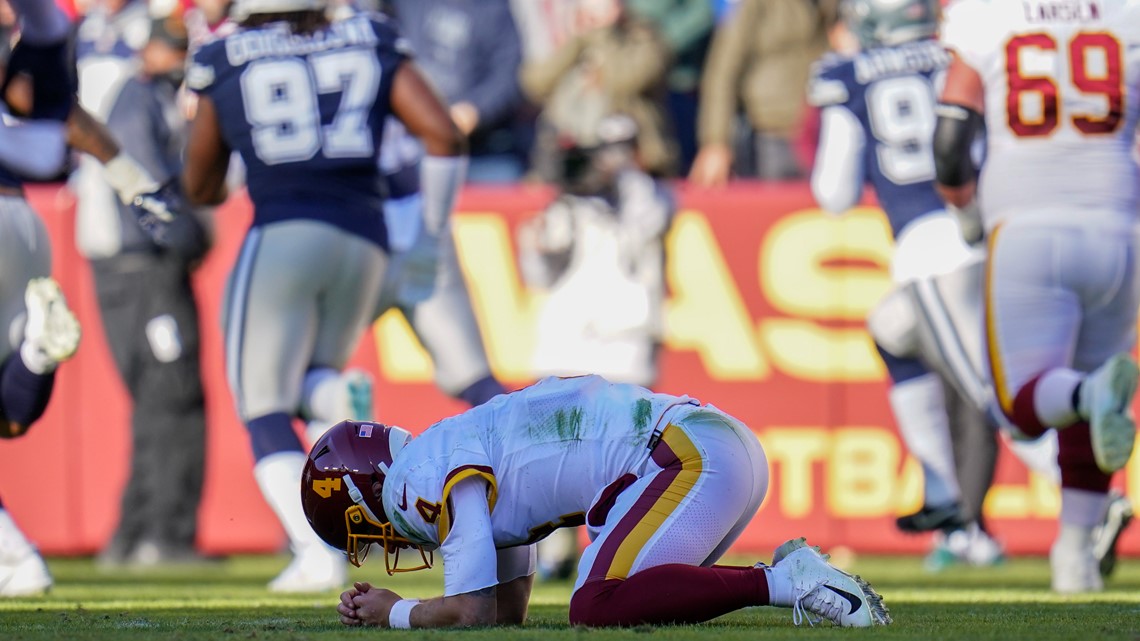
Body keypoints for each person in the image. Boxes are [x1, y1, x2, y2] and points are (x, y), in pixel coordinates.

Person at [174, 0, 467, 592]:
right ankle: (331, 392)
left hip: (285, 227)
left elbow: (200, 185)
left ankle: (315, 551)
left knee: (261, 406)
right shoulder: (368, 36)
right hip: (367, 234)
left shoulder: (224, 52)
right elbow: (443, 133)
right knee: (310, 376)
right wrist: (431, 238)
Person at [301, 375, 892, 629]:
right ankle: (789, 578)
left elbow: (473, 614)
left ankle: (789, 581)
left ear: (371, 493)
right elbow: (505, 614)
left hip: (686, 455)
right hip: (712, 446)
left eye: (365, 531)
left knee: (596, 602)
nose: (383, 542)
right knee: (604, 584)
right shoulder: (451, 448)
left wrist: (395, 611)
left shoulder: (416, 479)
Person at [934, 0, 1140, 594]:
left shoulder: (988, 13)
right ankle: (1075, 560)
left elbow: (950, 141)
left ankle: (1086, 393)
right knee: (1095, 404)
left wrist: (967, 210)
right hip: (1118, 225)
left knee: (1018, 406)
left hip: (1026, 225)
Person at [807, 0, 1003, 568]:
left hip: (936, 247)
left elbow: (833, 195)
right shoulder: (961, 53)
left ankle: (1085, 504)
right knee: (893, 328)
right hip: (986, 230)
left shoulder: (849, 74)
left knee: (995, 396)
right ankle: (948, 502)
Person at [516, 114, 674, 579]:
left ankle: (620, 550)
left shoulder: (649, 194)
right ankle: (555, 551)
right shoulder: (568, 204)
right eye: (605, 149)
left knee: (627, 456)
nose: (613, 158)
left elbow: (650, 222)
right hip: (568, 338)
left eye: (623, 147)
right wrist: (539, 239)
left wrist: (619, 181)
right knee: (552, 451)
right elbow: (540, 276)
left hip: (626, 338)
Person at [90, 7, 214, 568]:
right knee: (171, 395)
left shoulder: (157, 98)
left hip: (144, 267)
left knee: (160, 398)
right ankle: (162, 535)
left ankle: (134, 535)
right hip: (142, 268)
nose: (174, 59)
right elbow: (144, 186)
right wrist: (187, 234)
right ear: (147, 50)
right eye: (167, 48)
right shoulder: (136, 98)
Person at [0, 0, 83, 597]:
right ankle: (34, 354)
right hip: (19, 216)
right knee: (5, 415)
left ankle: (17, 558)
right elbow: (50, 140)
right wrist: (130, 175)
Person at [520, 0, 676, 181]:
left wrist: (603, 35)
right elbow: (534, 84)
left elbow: (625, 83)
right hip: (568, 156)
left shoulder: (645, 38)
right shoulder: (572, 40)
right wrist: (577, 42)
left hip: (632, 159)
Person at [688, 0, 834, 185]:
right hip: (772, 131)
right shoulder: (752, 5)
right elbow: (722, 72)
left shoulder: (830, 5)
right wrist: (716, 141)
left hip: (826, 126)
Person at [388, 0, 529, 183]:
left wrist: (476, 110)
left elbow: (508, 76)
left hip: (482, 153)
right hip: (411, 147)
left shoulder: (495, 9)